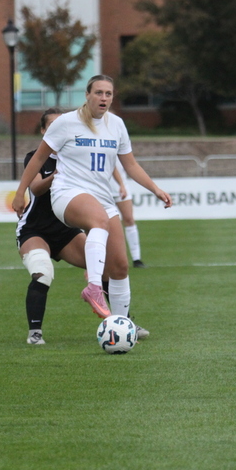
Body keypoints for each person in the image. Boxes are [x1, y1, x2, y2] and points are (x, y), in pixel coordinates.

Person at [12, 75, 172, 324]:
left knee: (119, 266)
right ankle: (93, 288)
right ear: (87, 95)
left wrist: (155, 188)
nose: (104, 98)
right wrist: (20, 191)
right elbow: (37, 158)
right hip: (67, 193)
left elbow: (130, 164)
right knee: (99, 221)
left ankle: (120, 326)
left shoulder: (117, 124)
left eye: (108, 94)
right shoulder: (66, 122)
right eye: (98, 92)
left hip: (102, 198)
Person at [16, 108, 150, 345]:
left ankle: (123, 323)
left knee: (107, 266)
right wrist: (55, 177)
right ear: (44, 131)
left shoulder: (79, 154)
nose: (59, 129)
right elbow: (35, 189)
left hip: (65, 232)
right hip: (35, 230)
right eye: (52, 126)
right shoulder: (36, 156)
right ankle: (35, 333)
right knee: (43, 272)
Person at [110, 162, 146, 268]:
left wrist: (121, 184)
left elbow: (130, 163)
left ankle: (136, 258)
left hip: (121, 188)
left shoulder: (121, 145)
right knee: (101, 224)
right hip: (101, 189)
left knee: (129, 219)